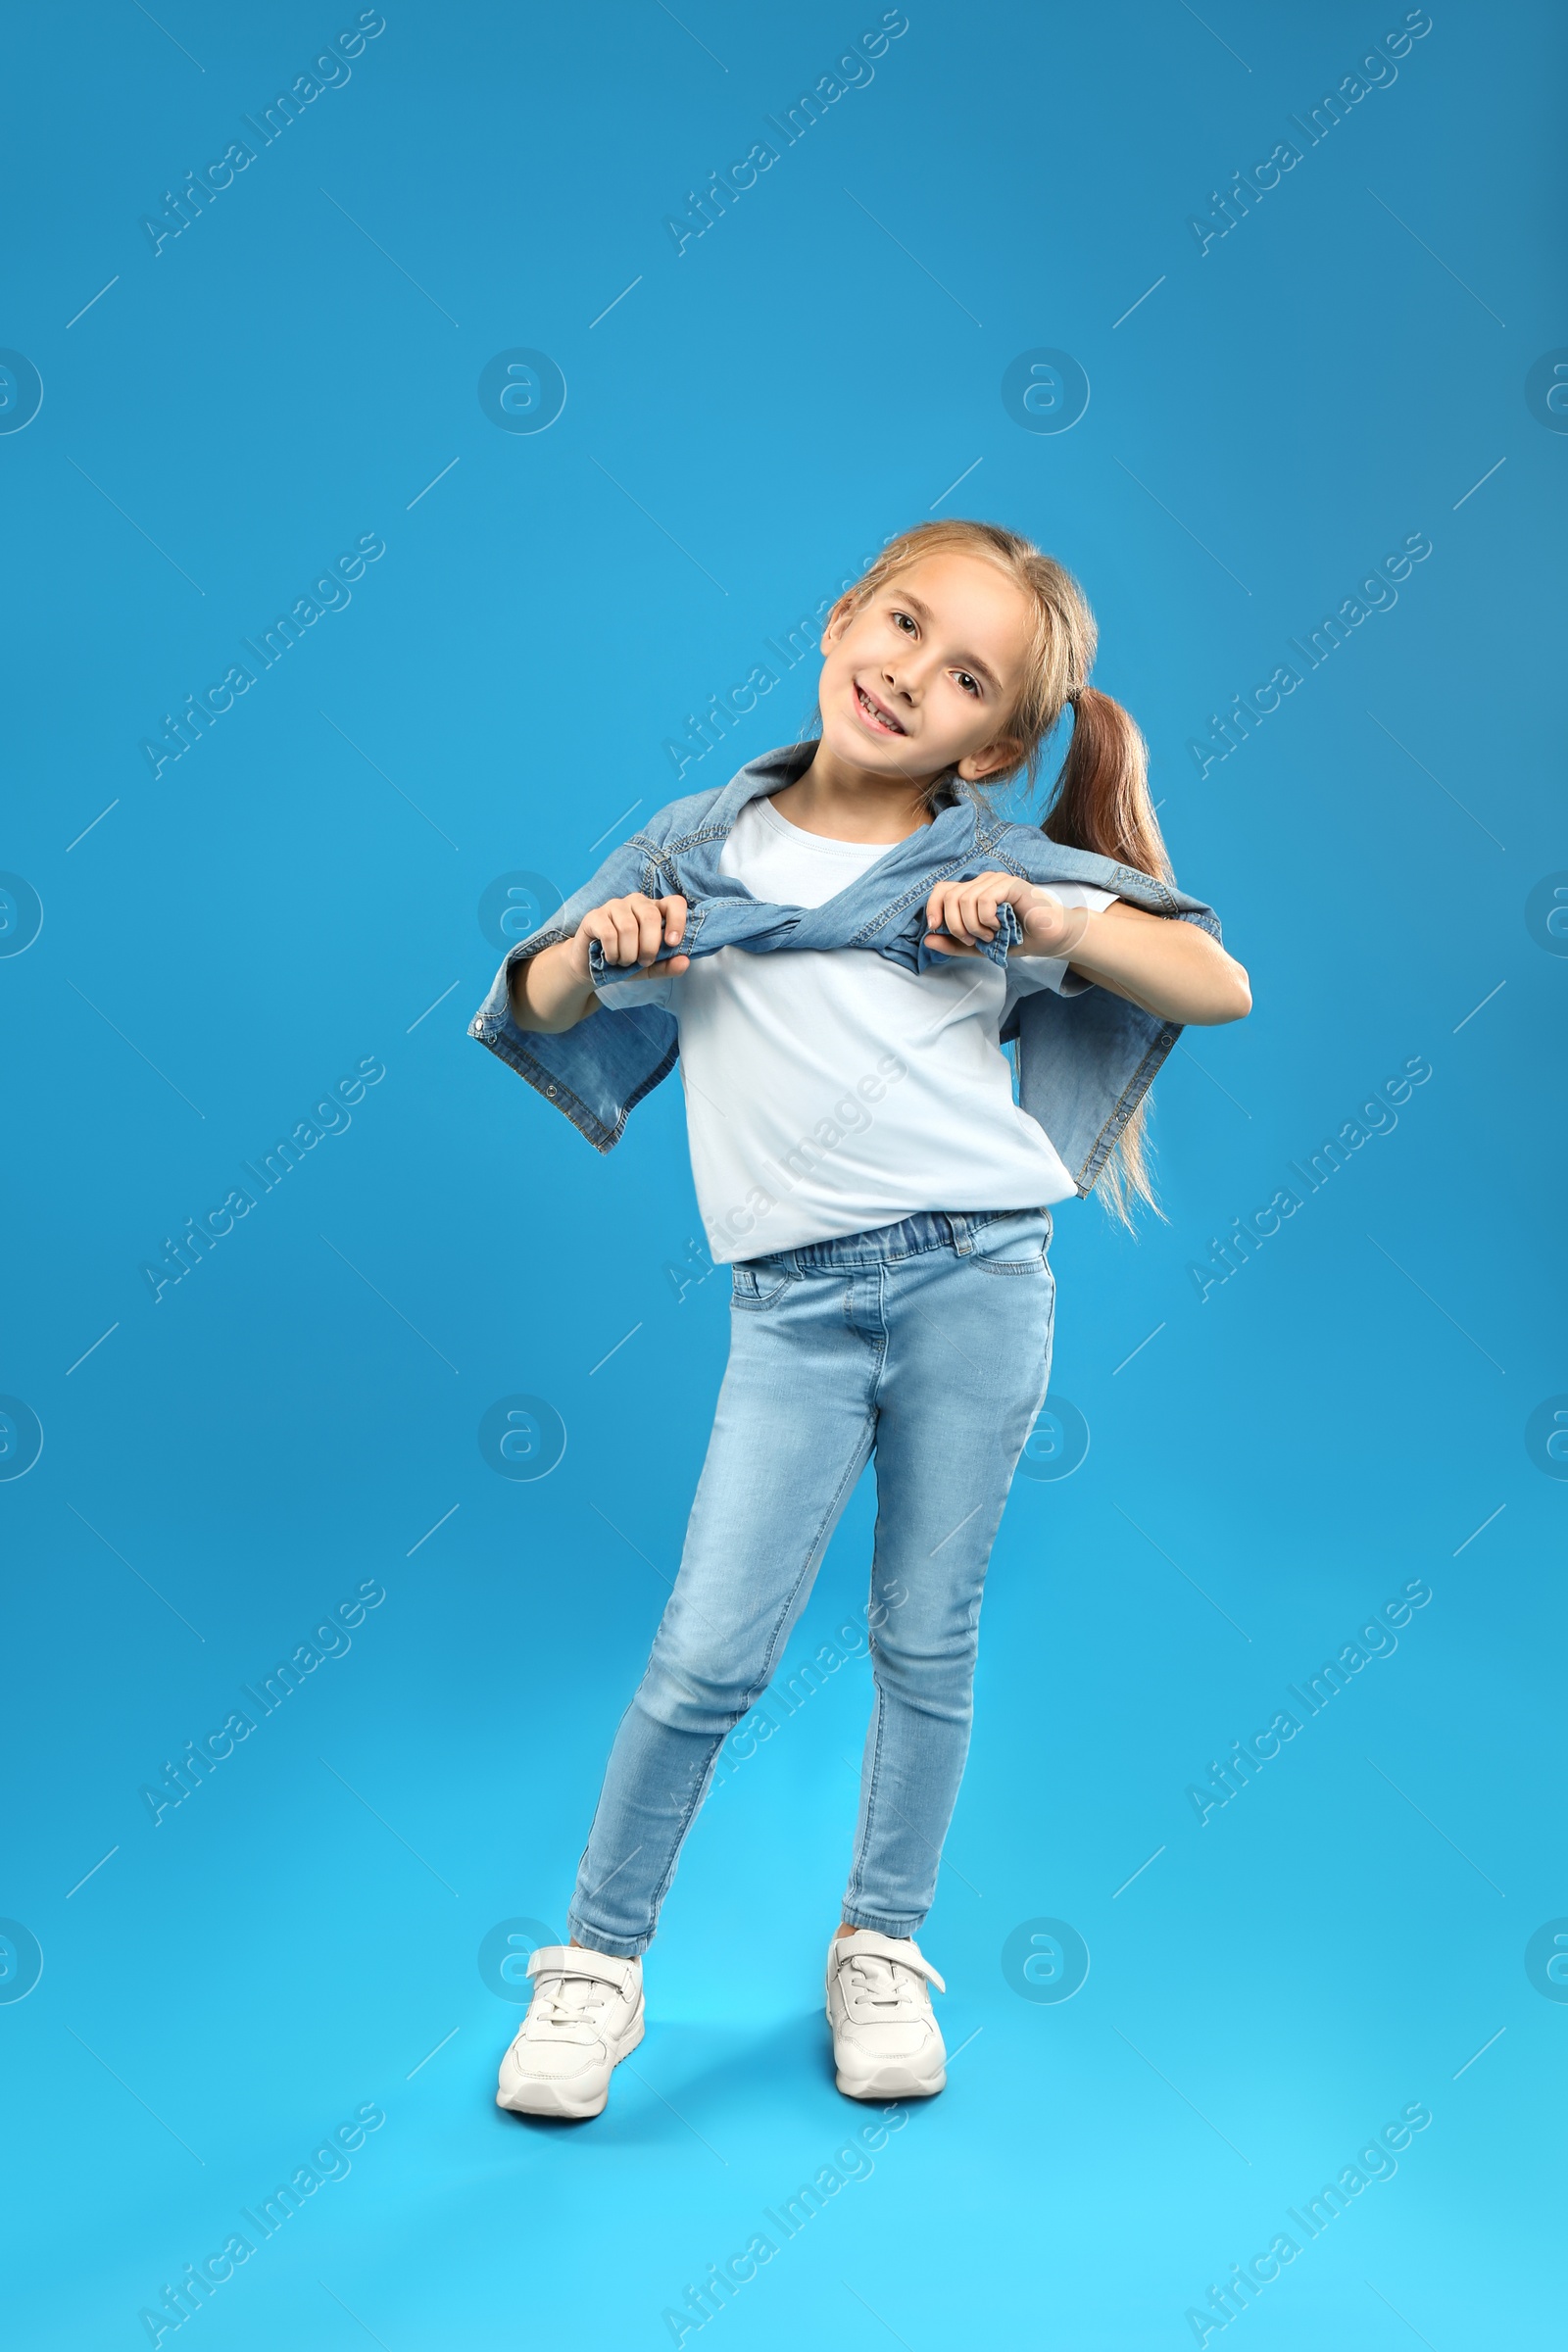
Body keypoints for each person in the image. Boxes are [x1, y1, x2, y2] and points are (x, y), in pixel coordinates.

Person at [470, 518, 1250, 2120]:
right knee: (706, 1654)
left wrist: (1043, 923)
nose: (910, 675)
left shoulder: (981, 870)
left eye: (965, 677)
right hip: (792, 1313)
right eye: (901, 626)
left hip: (979, 1277)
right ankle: (600, 1972)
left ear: (1003, 743)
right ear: (840, 618)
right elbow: (533, 1001)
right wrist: (599, 951)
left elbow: (1216, 984)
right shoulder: (700, 849)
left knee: (925, 1639)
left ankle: (880, 1947)